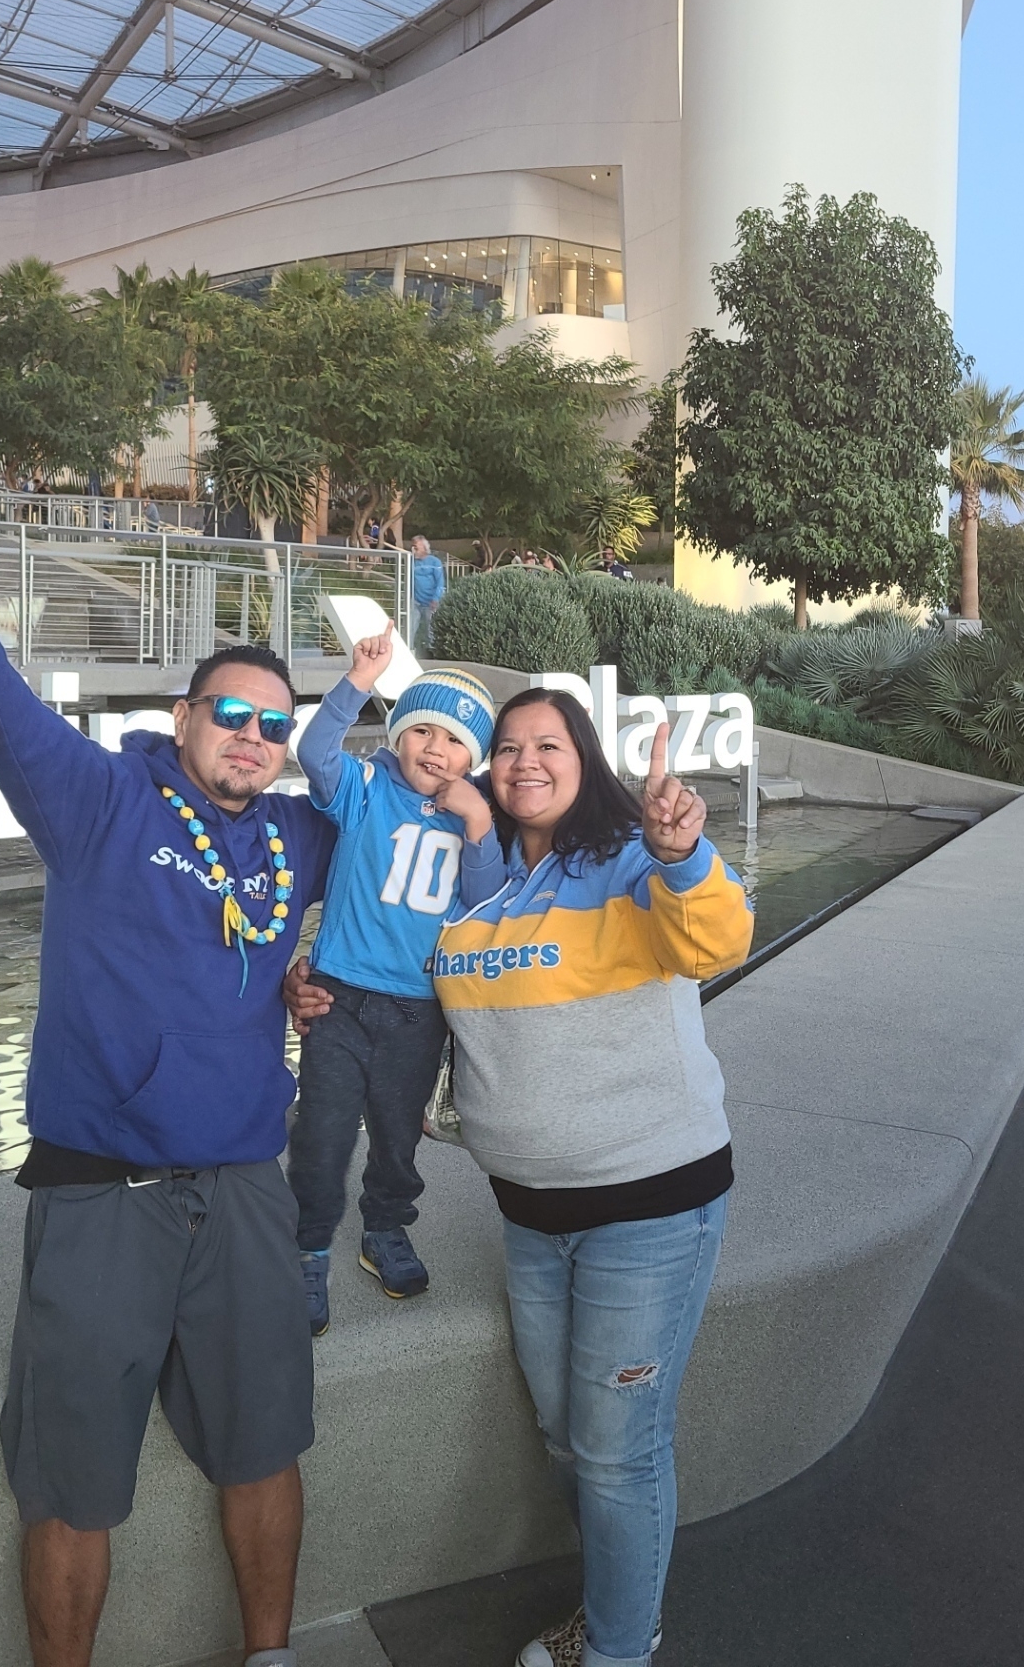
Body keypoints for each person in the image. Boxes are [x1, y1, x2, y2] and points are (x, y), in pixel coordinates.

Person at [0, 500, 336, 1667]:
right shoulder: (101, 803)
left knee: (266, 1446)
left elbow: (424, 853)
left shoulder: (298, 837)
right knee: (71, 1481)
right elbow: (7, 718)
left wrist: (312, 973)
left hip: (245, 1185)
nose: (250, 736)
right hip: (101, 1190)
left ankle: (269, 1654)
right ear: (182, 718)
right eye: (229, 713)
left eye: (273, 723)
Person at [435, 689, 752, 1667]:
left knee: (617, 1452)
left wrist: (679, 852)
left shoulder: (629, 862)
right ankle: (618, 1608)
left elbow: (717, 941)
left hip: (648, 1207)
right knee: (568, 1438)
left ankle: (617, 1648)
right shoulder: (470, 877)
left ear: (585, 759)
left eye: (549, 744)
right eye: (507, 746)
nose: (525, 761)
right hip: (529, 1216)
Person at [287, 631, 504, 1335]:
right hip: (339, 999)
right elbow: (314, 753)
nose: (435, 749)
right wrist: (357, 681)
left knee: (396, 1138)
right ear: (398, 734)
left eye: (455, 741)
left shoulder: (476, 819)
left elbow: (485, 906)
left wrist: (478, 825)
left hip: (418, 1011)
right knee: (322, 1134)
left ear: (474, 758)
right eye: (422, 731)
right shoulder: (366, 789)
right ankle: (308, 1247)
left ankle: (384, 1228)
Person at [411, 535, 446, 651]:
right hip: (416, 601)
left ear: (424, 547)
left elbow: (440, 582)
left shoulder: (435, 562)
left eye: (416, 546)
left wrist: (436, 598)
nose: (413, 549)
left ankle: (432, 651)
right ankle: (408, 648)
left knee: (431, 629)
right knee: (410, 626)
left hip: (431, 602)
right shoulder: (412, 562)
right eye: (413, 546)